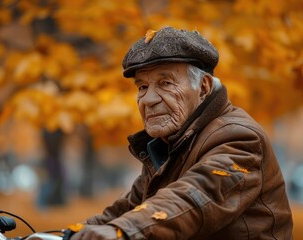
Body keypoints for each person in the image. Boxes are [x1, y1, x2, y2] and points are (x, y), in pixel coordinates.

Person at [69, 27, 293, 239]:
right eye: (142, 87)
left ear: (203, 88)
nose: (148, 100)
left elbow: (195, 196)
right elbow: (125, 211)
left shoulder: (239, 137)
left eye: (165, 83)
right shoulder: (169, 145)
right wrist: (70, 234)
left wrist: (123, 231)